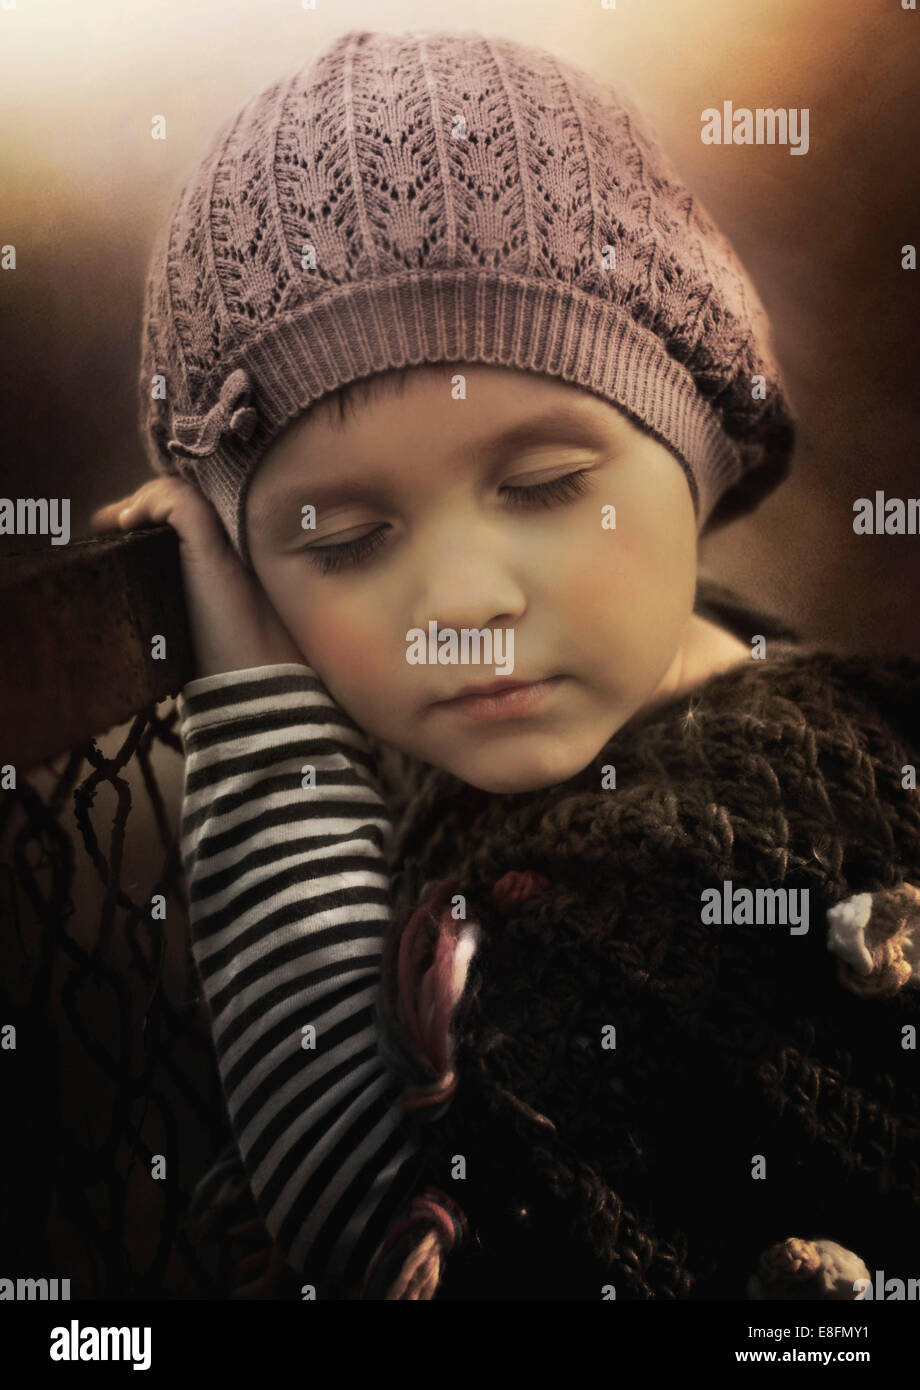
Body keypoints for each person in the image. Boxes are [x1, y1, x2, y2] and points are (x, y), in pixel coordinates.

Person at [91, 29, 920, 1300]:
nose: (464, 600)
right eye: (347, 538)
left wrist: (258, 720)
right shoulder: (692, 703)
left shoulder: (719, 862)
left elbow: (376, 1236)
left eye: (541, 487)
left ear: (693, 452)